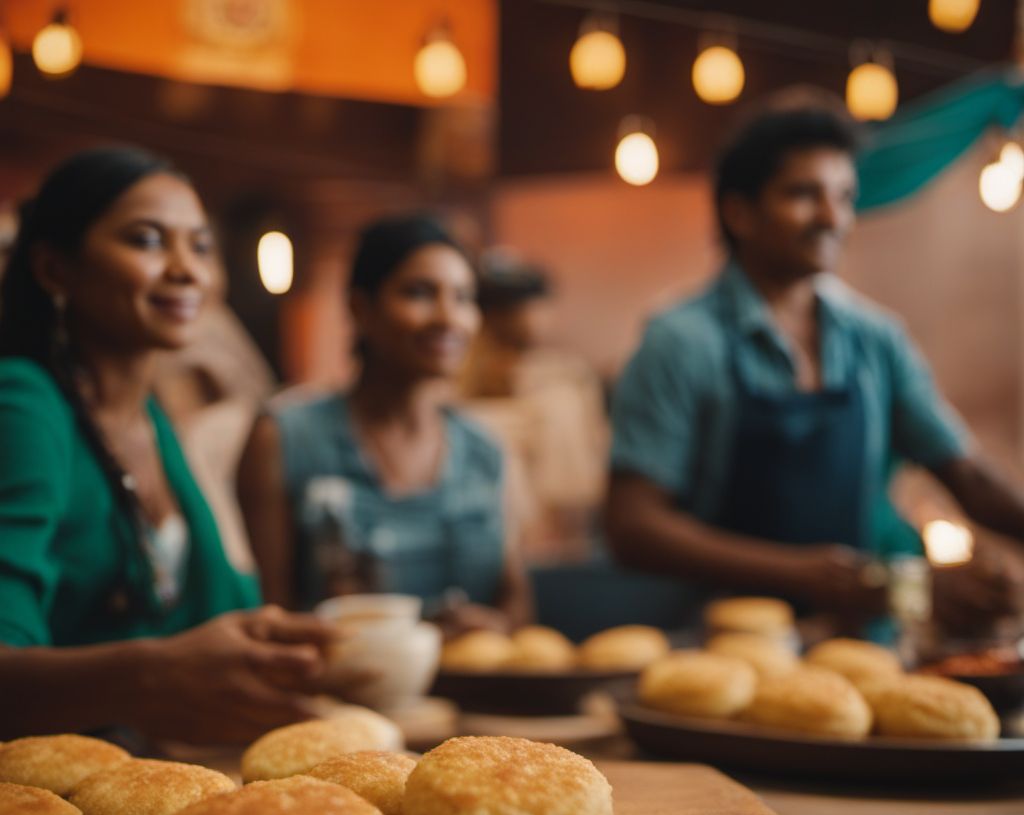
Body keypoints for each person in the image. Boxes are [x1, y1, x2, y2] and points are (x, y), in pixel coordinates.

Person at [607, 105, 1024, 632]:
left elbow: (968, 476)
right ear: (740, 213)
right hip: (731, 644)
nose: (833, 218)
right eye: (803, 195)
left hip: (862, 638)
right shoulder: (681, 342)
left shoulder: (875, 338)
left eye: (845, 197)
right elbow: (633, 527)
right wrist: (803, 574)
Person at [0, 146, 337, 745]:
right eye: (148, 240)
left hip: (149, 771)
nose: (188, 270)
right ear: (55, 269)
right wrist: (149, 676)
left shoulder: (150, 417)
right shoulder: (25, 406)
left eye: (201, 245)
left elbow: (222, 616)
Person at [238, 214, 532, 636]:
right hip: (338, 694)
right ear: (362, 308)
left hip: (473, 694)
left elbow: (517, 603)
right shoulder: (285, 438)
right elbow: (272, 615)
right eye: (419, 293)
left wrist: (493, 626)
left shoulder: (485, 450)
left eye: (464, 298)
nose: (448, 318)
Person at [460, 250, 608, 559]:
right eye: (522, 309)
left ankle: (566, 540)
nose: (535, 318)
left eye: (540, 307)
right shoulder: (462, 370)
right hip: (503, 527)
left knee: (561, 407)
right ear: (493, 316)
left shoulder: (567, 375)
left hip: (569, 520)